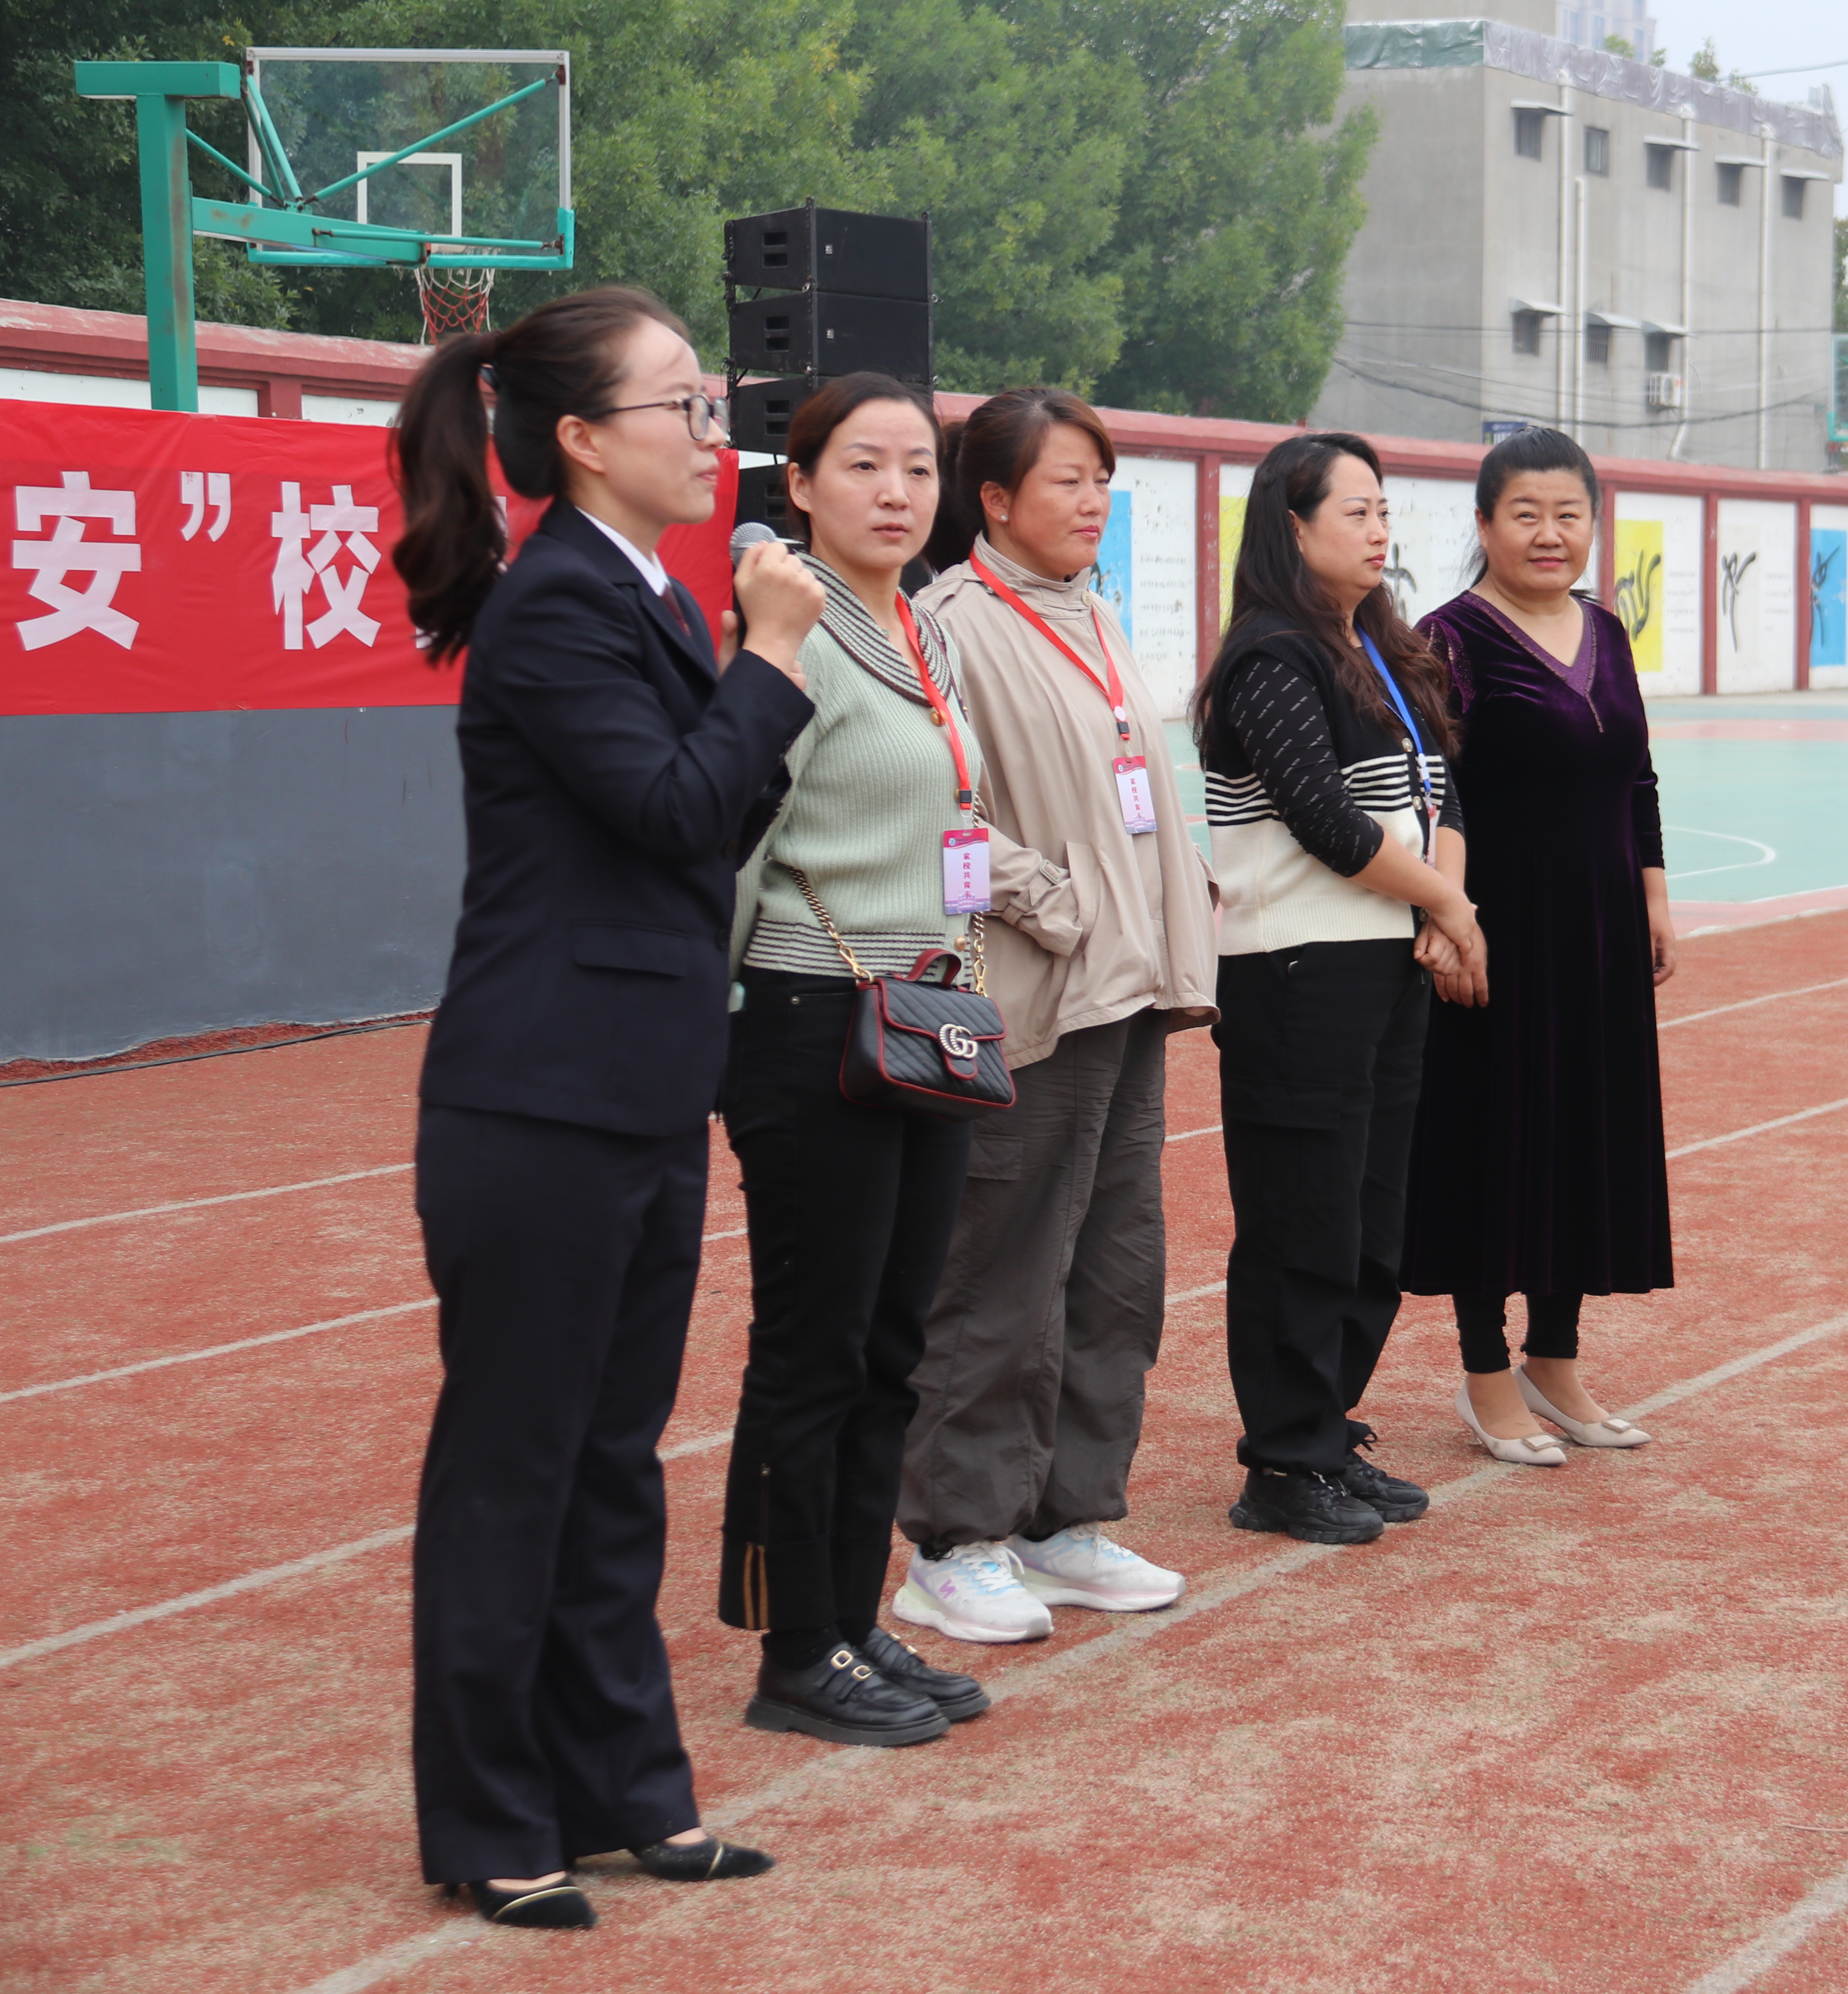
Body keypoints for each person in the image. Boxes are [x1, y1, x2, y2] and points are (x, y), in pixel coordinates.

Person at [394, 288, 818, 1925]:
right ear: (582, 438)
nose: (715, 437)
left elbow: (717, 807)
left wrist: (750, 662)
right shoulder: (555, 606)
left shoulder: (636, 592)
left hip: (633, 1094)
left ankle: (629, 1789)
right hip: (539, 1101)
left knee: (613, 1463)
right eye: (684, 408)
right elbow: (673, 809)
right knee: (516, 1466)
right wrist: (770, 653)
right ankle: (491, 1819)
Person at [890, 389, 1220, 1643]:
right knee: (1003, 1268)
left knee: (1119, 1264)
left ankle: (1068, 1517)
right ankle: (958, 1535)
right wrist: (1058, 899)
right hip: (1036, 988)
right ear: (993, 499)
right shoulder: (951, 624)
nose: (1090, 501)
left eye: (1100, 480)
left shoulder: (1094, 611)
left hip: (1135, 985)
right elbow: (936, 811)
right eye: (1066, 480)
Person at [715, 374, 993, 1748]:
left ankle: (852, 1613)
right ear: (802, 485)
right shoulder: (792, 634)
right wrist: (705, 1033)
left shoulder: (911, 629)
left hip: (924, 1025)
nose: (898, 491)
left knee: (894, 1345)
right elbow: (735, 848)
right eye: (866, 466)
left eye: (919, 470)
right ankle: (793, 1650)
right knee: (814, 1347)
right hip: (811, 1020)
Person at [1194, 432, 1488, 1544]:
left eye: (1382, 512)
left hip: (1387, 965)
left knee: (1373, 1218)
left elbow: (1441, 790)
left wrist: (1439, 899)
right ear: (1293, 526)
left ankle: (1327, 1425)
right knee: (1300, 1219)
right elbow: (1328, 822)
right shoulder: (1270, 658)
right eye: (1355, 512)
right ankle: (1282, 1458)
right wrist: (1452, 911)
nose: (1380, 531)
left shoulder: (1382, 647)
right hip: (1298, 975)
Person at [1402, 427, 1673, 1465]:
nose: (1548, 533)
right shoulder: (1449, 638)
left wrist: (1652, 892)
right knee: (1490, 1139)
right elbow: (1436, 793)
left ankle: (1553, 1359)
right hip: (1495, 930)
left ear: (1593, 523)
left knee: (1581, 1136)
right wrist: (1449, 918)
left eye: (1568, 514)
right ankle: (1483, 1370)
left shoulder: (1606, 630)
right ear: (1483, 525)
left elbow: (1637, 776)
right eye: (1525, 514)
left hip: (1599, 930)